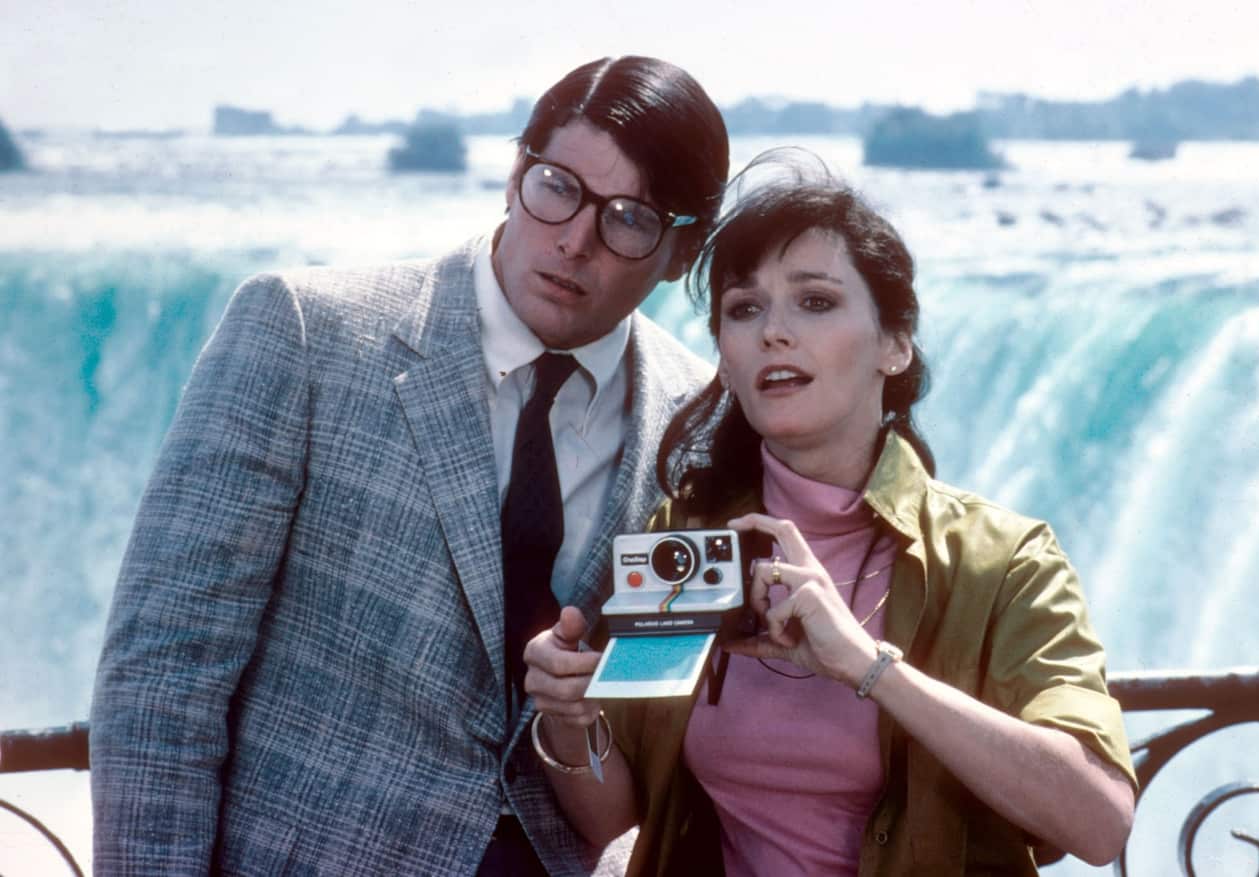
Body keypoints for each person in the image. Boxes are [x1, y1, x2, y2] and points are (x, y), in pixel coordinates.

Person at [89, 56, 729, 876]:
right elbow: (164, 671)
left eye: (630, 218)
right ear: (512, 174)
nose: (575, 239)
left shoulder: (701, 427)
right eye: (557, 185)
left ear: (681, 252)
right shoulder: (304, 332)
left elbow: (660, 727)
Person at [524, 159, 1137, 875]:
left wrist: (869, 666)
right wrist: (568, 719)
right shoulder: (693, 545)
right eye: (743, 309)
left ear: (894, 343)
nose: (773, 333)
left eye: (815, 302)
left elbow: (1098, 822)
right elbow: (612, 812)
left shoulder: (1001, 561)